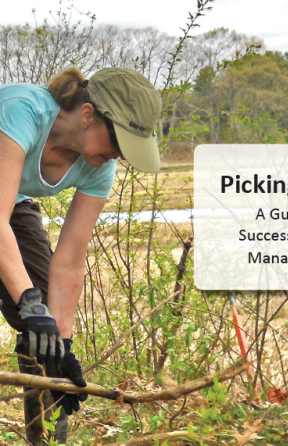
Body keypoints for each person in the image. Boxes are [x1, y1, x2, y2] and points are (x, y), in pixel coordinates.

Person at [0, 66, 162, 445]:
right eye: (118, 142)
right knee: (33, 304)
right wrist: (30, 304)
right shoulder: (22, 110)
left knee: (45, 327)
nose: (119, 156)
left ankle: (40, 437)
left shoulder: (98, 167)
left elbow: (70, 260)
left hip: (12, 203)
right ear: (88, 115)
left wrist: (62, 344)